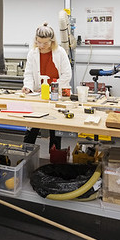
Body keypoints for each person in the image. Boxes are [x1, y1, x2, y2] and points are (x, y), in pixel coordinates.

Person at [22, 22, 72, 150]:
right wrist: (28, 86)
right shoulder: (32, 53)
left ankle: (54, 158)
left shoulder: (60, 52)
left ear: (52, 41)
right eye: (39, 42)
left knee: (54, 129)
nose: (41, 46)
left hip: (56, 95)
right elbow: (28, 73)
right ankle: (25, 155)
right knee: (32, 128)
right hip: (38, 95)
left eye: (45, 43)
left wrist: (52, 88)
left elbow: (67, 75)